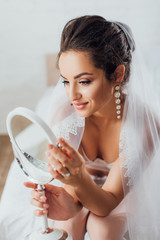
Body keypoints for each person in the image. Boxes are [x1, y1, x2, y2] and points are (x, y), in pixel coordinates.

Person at [1, 15, 160, 240]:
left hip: (121, 198)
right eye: (66, 81)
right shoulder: (65, 113)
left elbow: (107, 203)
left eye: (84, 81)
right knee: (66, 223)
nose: (72, 95)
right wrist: (69, 204)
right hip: (78, 188)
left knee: (103, 229)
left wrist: (77, 180)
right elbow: (70, 189)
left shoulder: (144, 126)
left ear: (117, 75)